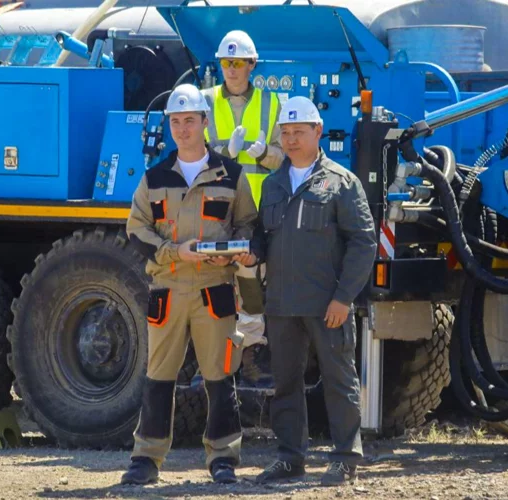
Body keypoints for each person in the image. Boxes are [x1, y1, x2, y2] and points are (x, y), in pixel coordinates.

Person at [234, 96, 376, 486]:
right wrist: (251, 255)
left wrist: (344, 297)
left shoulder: (341, 183)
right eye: (286, 132)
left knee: (339, 380)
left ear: (317, 132)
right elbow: (264, 236)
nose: (292, 139)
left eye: (299, 132)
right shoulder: (275, 182)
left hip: (326, 303)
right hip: (281, 304)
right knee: (285, 385)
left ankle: (346, 457)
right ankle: (290, 458)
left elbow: (364, 242)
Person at [121, 84, 257, 486]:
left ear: (203, 123)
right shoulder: (154, 178)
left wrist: (236, 252)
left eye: (189, 121)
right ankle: (146, 458)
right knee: (159, 377)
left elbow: (247, 224)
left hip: (215, 289)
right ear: (170, 126)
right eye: (176, 122)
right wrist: (176, 251)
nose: (182, 129)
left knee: (220, 376)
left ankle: (223, 459)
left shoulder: (231, 176)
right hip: (168, 289)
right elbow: (136, 230)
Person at [201, 30, 284, 387]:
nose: (231, 69)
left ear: (252, 65)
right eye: (225, 62)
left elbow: (285, 160)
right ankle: (212, 357)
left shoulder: (272, 103)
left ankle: (247, 356)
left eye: (238, 63)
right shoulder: (203, 101)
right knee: (211, 281)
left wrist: (263, 152)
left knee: (250, 278)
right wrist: (226, 154)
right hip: (215, 209)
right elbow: (193, 158)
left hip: (256, 213)